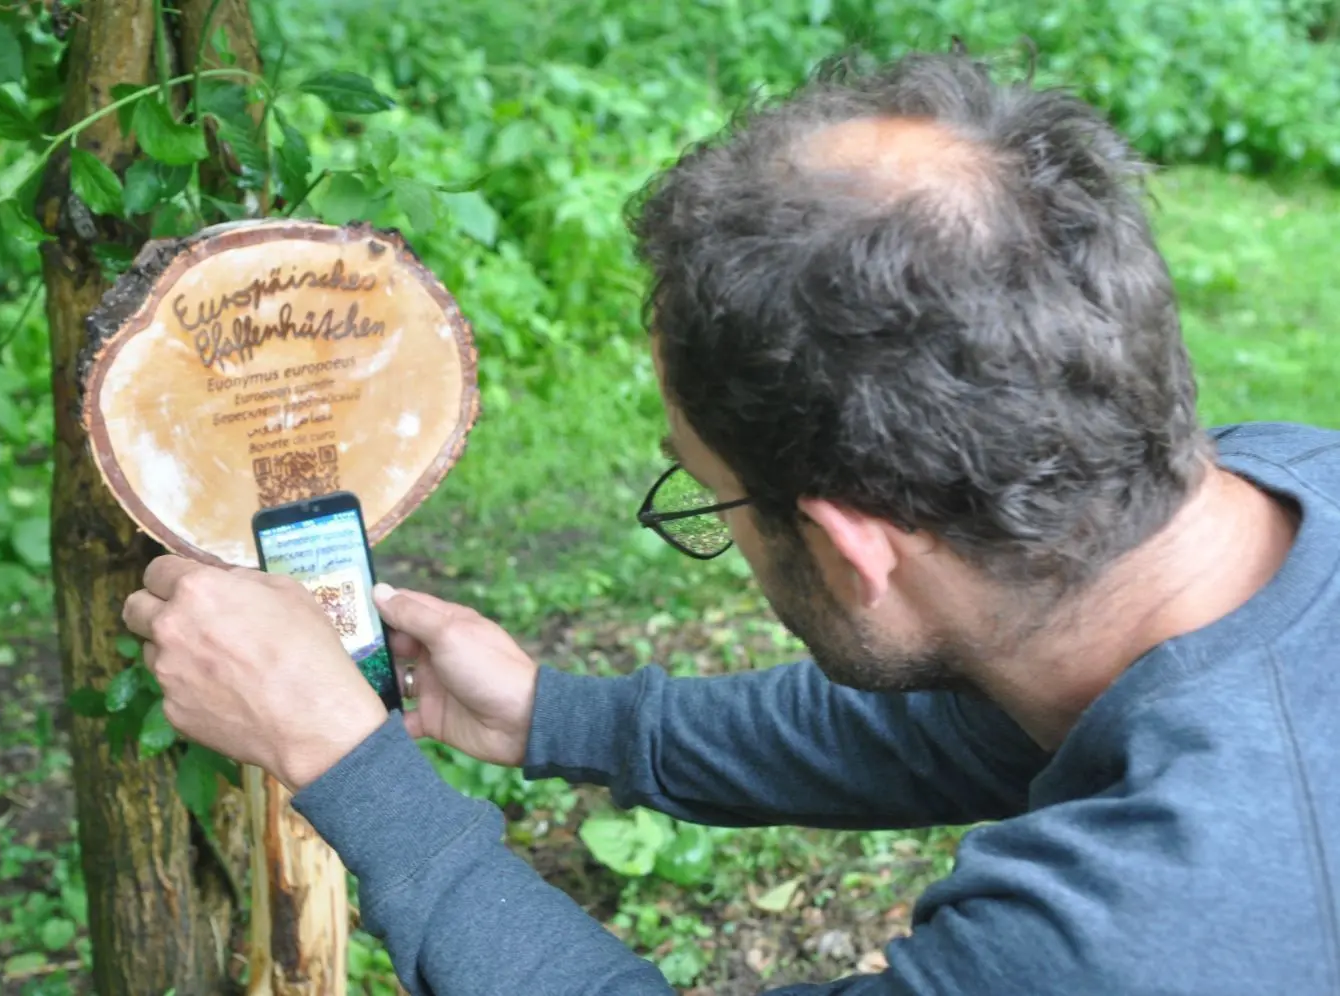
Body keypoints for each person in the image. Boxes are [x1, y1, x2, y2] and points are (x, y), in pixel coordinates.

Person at [121, 49, 1340, 995]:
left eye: (711, 495)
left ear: (853, 549)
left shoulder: (1136, 936)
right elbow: (974, 724)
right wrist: (561, 716)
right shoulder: (1268, 493)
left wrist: (352, 771)